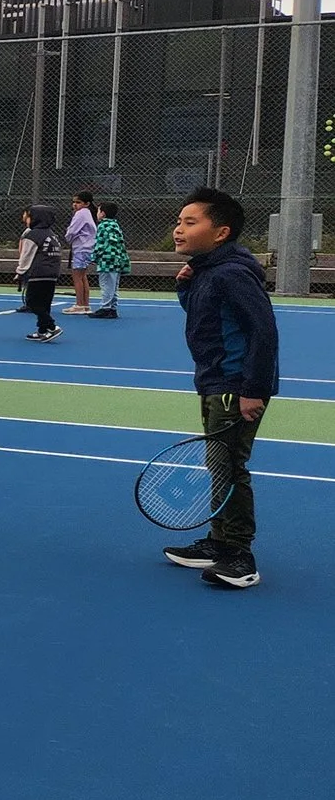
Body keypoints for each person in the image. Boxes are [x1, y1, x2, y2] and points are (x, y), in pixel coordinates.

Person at [169, 188, 278, 590]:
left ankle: (239, 555)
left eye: (190, 222)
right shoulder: (210, 271)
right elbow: (208, 318)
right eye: (179, 221)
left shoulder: (231, 272)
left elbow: (263, 331)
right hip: (218, 382)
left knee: (229, 468)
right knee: (219, 466)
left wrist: (253, 388)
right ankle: (219, 543)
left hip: (235, 386)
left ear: (221, 232)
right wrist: (186, 287)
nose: (179, 230)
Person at [15, 205, 65, 341]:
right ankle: (43, 330)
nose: (26, 219)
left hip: (38, 273)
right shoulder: (52, 235)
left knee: (32, 302)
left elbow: (26, 255)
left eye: (29, 216)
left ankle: (52, 326)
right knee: (45, 303)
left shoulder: (32, 235)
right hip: (52, 273)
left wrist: (20, 271)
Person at [92, 200, 129, 317]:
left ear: (102, 213)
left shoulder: (102, 226)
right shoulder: (115, 225)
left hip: (106, 260)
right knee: (114, 286)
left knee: (106, 285)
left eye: (98, 211)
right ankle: (113, 308)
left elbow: (101, 244)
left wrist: (94, 256)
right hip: (117, 260)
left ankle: (105, 308)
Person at [64, 189, 97, 313]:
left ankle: (79, 305)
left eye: (78, 202)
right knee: (83, 276)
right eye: (74, 202)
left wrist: (68, 238)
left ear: (87, 204)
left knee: (77, 276)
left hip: (81, 248)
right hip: (87, 248)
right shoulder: (88, 213)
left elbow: (72, 231)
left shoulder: (81, 213)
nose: (75, 205)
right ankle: (85, 305)